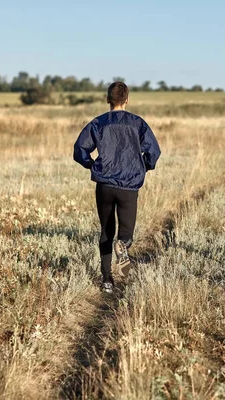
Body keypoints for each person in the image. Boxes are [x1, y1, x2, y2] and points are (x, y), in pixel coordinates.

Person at [74, 81, 161, 293]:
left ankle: (106, 280)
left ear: (107, 99)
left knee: (106, 231)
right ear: (127, 100)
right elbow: (154, 152)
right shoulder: (138, 123)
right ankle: (123, 258)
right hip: (128, 186)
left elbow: (79, 150)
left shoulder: (98, 123)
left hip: (104, 184)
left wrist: (92, 165)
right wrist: (143, 168)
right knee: (125, 233)